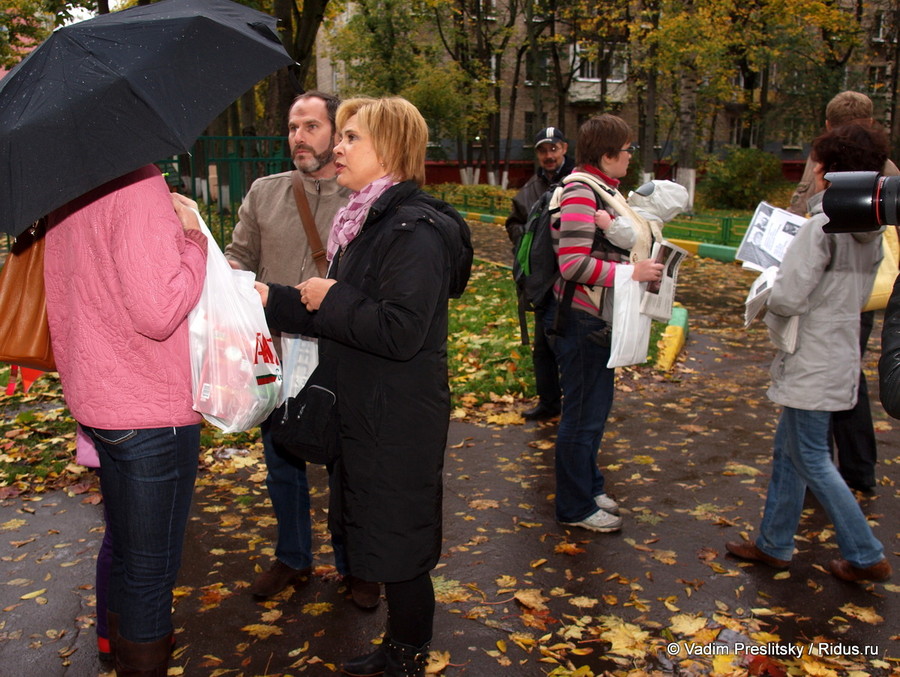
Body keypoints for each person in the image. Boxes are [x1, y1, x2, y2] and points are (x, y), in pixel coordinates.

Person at [255, 96, 472, 677]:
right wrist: (271, 300)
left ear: (392, 151)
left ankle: (405, 656)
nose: (339, 148)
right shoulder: (369, 219)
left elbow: (400, 330)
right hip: (368, 411)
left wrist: (334, 297)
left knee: (400, 547)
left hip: (396, 419)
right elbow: (338, 316)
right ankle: (398, 649)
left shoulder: (414, 231)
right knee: (378, 532)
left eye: (352, 138)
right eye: (342, 135)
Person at [43, 165, 207, 675]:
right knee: (150, 571)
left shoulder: (67, 186)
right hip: (150, 406)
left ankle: (117, 653)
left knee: (130, 552)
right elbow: (159, 309)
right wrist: (194, 240)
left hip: (100, 401)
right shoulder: (136, 183)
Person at [224, 91, 378, 607]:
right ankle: (292, 557)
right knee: (281, 460)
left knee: (346, 465)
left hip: (340, 352)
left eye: (312, 126)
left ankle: (356, 565)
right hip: (276, 352)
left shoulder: (363, 197)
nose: (299, 136)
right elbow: (238, 258)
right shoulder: (265, 192)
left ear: (337, 133)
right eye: (293, 126)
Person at [726, 123, 892, 583]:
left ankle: (865, 552)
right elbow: (855, 292)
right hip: (836, 350)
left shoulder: (820, 226)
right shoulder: (867, 227)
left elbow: (789, 298)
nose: (812, 169)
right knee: (789, 451)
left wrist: (770, 282)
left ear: (827, 171)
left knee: (811, 458)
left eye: (816, 162)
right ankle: (774, 543)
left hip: (809, 355)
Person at [543, 114, 663, 533]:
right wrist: (634, 273)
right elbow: (573, 264)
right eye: (627, 149)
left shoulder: (602, 190)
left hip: (595, 319)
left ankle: (589, 487)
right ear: (608, 154)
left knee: (595, 411)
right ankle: (574, 507)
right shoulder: (580, 192)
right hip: (580, 320)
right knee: (581, 416)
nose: (631, 156)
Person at [788, 90, 900, 494]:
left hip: (846, 287)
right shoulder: (882, 164)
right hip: (844, 283)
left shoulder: (862, 167)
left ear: (830, 127)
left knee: (841, 377)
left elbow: (816, 212)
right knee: (841, 375)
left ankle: (848, 471)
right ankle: (841, 468)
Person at [506, 127, 575, 420]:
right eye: (543, 150)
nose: (549, 155)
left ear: (564, 149)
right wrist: (529, 238)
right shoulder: (530, 189)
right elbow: (514, 223)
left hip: (571, 280)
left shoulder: (577, 183)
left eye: (554, 149)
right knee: (543, 347)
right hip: (540, 282)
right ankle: (549, 403)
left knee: (568, 346)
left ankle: (574, 406)